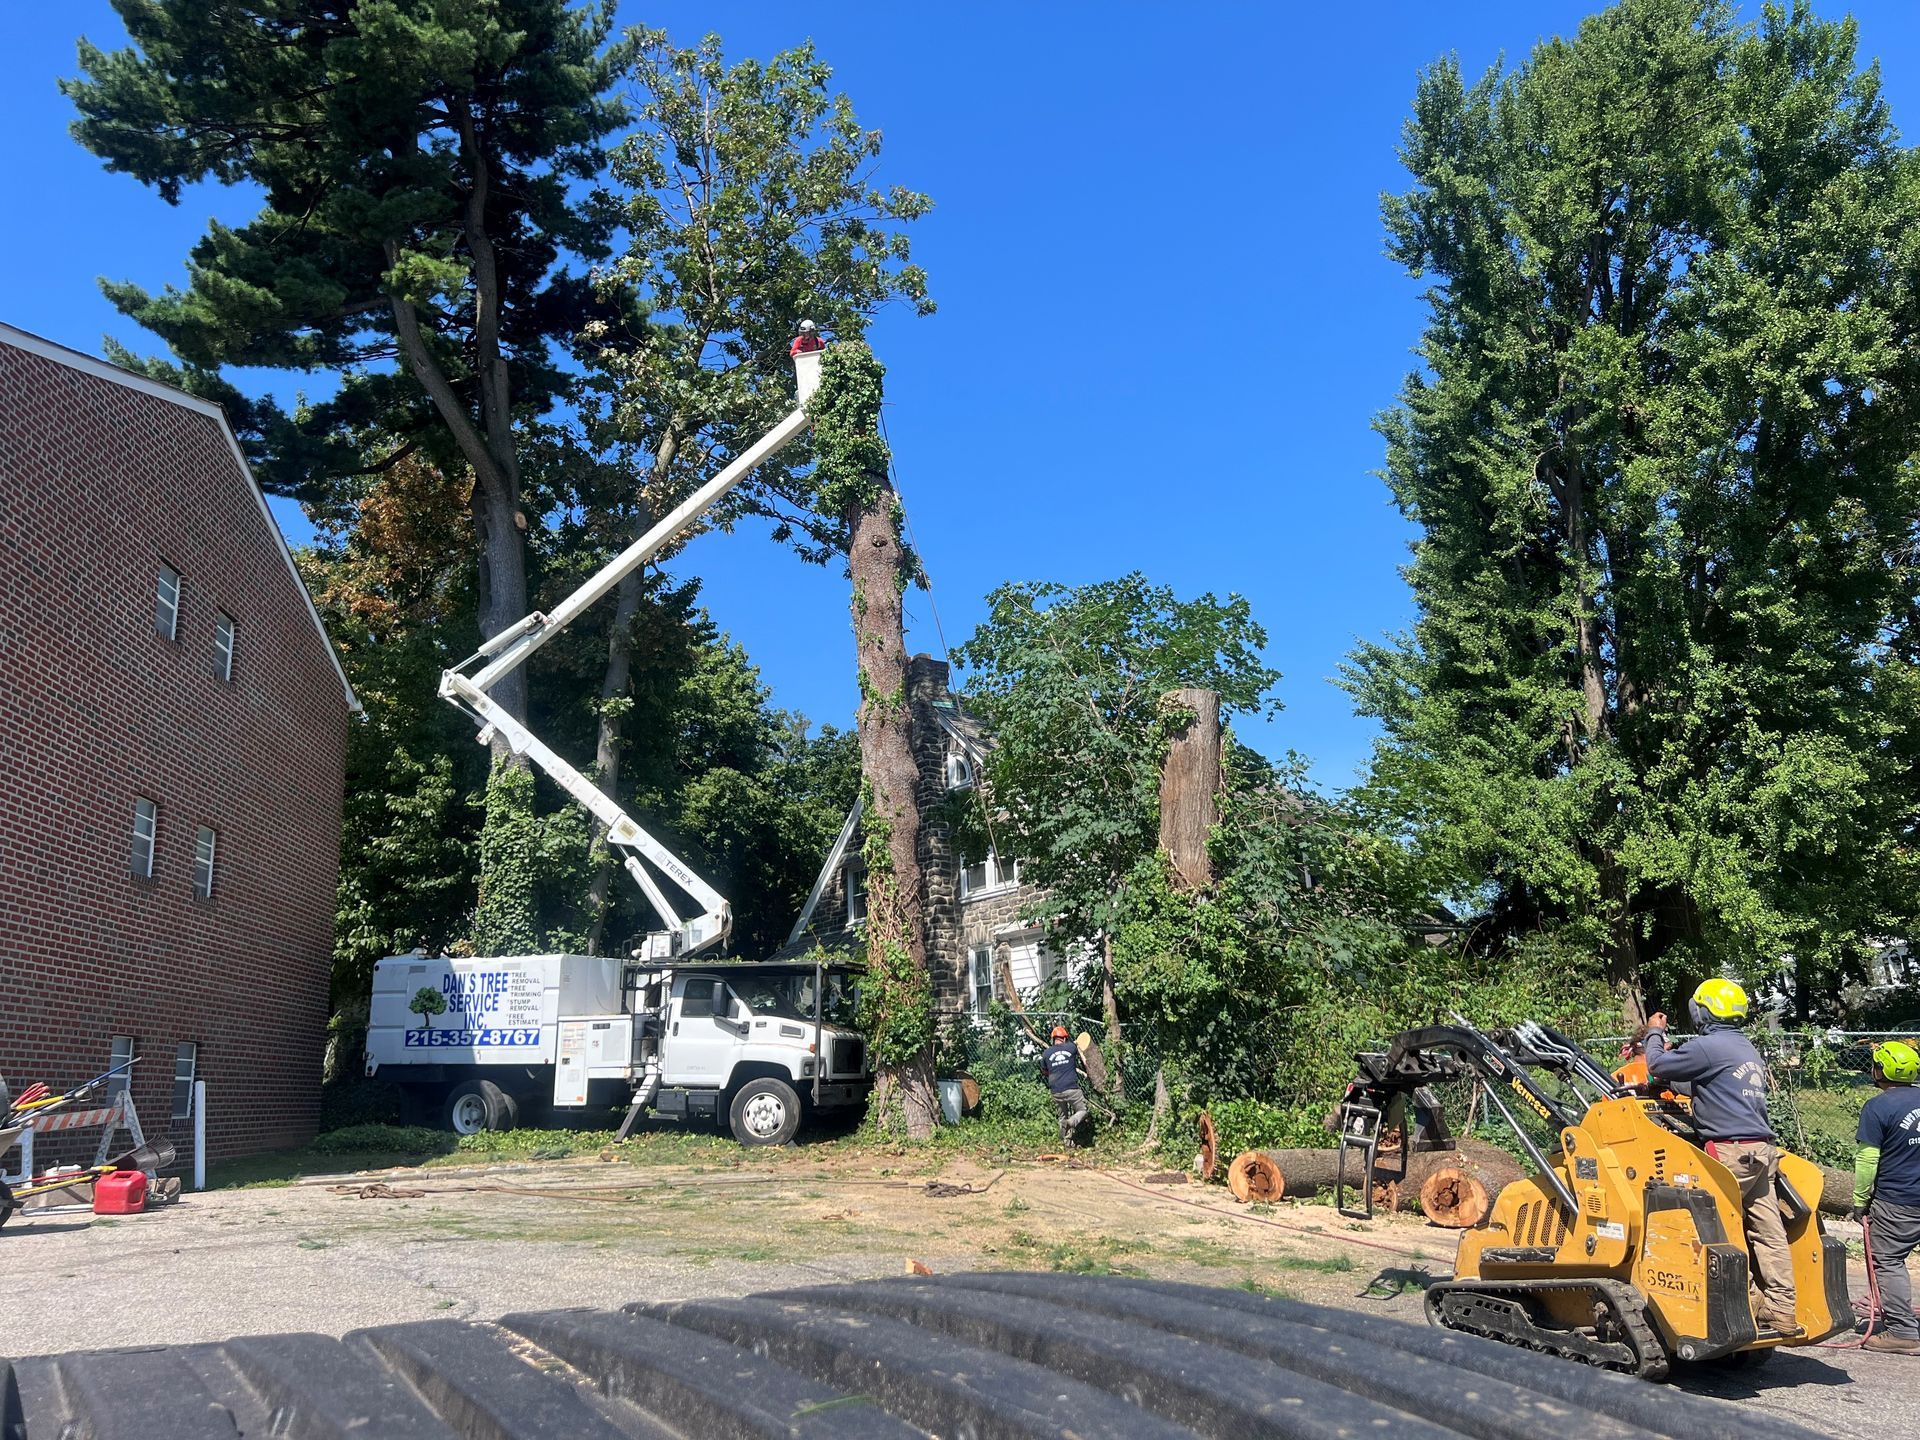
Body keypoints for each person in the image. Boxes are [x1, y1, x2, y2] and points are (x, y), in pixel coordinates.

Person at [1645, 979, 1798, 1334]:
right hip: (1760, 1150)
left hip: (1727, 1152)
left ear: (1703, 1010)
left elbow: (1656, 1065)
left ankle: (1746, 1302)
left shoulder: (1708, 1045)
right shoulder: (1743, 1047)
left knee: (1716, 1229)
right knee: (1766, 1230)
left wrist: (1654, 1033)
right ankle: (1782, 1308)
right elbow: (1712, 1083)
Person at [1853, 1040, 1920, 1354]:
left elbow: (1867, 1161)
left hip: (1898, 1202)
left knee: (1889, 1261)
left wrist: (1859, 1200)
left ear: (1880, 1071)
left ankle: (1903, 1333)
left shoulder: (1877, 1107)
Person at [1040, 1025, 1089, 1146]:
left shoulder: (1046, 1053)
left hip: (1056, 1091)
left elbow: (1045, 1072)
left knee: (1062, 1117)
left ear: (1053, 1039)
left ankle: (1066, 1143)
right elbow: (1080, 1053)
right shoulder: (1071, 1047)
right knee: (1083, 1110)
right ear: (1065, 1038)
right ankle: (1072, 1122)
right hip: (1071, 1088)